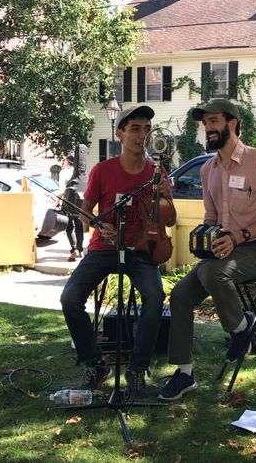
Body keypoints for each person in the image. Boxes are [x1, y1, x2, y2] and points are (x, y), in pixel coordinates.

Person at [158, 98, 256, 401]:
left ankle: (241, 329)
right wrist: (206, 239)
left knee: (215, 273)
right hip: (224, 254)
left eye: (213, 121)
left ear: (233, 123)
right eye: (205, 124)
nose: (208, 129)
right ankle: (185, 373)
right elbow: (212, 218)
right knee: (180, 295)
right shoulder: (208, 170)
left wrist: (239, 236)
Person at [60, 105, 176, 396]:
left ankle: (137, 369)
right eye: (135, 129)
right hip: (104, 248)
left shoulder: (157, 172)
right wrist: (100, 226)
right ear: (120, 133)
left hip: (142, 249)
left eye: (147, 129)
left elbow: (170, 219)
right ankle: (95, 363)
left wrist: (164, 195)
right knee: (70, 298)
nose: (142, 135)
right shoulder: (103, 170)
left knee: (155, 296)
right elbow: (85, 214)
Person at [57, 155, 84, 261]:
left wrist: (57, 202)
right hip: (79, 202)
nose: (63, 162)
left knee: (69, 226)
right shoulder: (80, 173)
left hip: (67, 201)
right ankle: (80, 250)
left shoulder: (63, 172)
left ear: (68, 162)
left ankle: (73, 249)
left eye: (64, 160)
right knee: (79, 225)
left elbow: (61, 190)